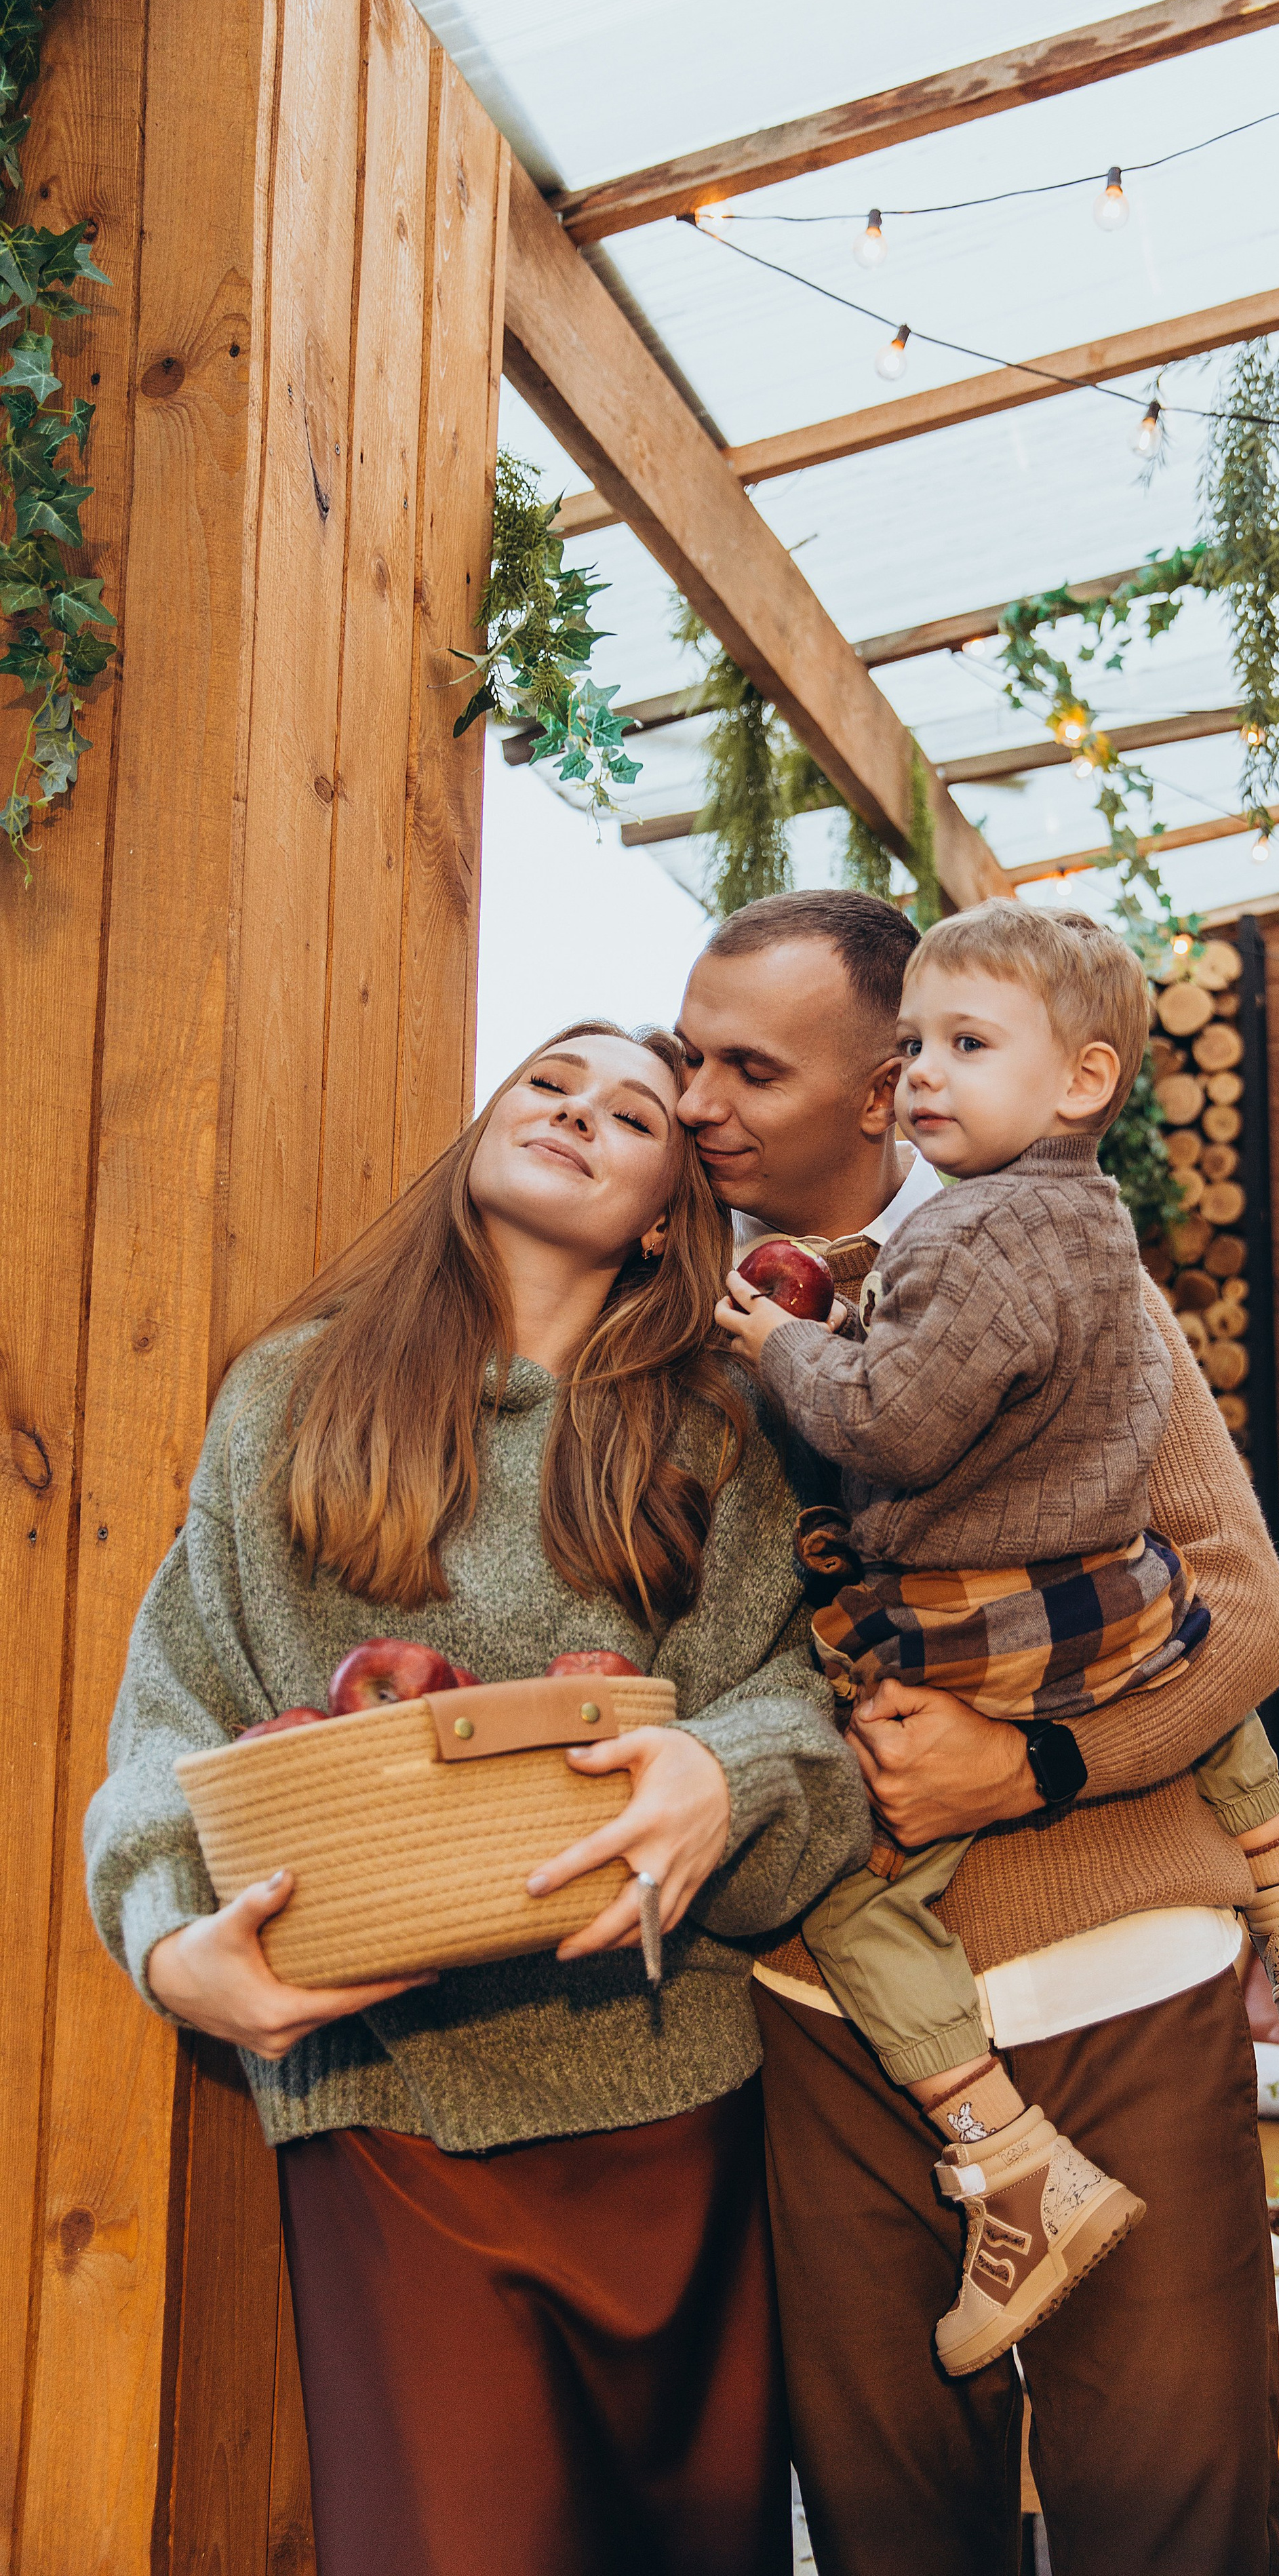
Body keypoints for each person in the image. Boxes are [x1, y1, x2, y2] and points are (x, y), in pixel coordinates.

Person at [85, 1019, 870, 2576]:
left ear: (665, 1210)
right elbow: (171, 1710)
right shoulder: (290, 1398)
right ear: (479, 1138)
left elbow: (789, 1696)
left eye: (629, 1114)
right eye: (547, 1087)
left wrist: (725, 1769)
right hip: (392, 2103)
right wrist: (174, 1948)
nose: (577, 1116)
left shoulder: (712, 1428)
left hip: (676, 2102)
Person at [675, 890, 1279, 2574]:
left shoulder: (1061, 1281)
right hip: (832, 2019)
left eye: (746, 1066)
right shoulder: (673, 1329)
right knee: (882, 2526)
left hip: (1118, 1973)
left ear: (881, 1091)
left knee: (1172, 2518)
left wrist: (1035, 1767)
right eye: (684, 1060)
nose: (691, 1104)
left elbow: (1242, 1611)